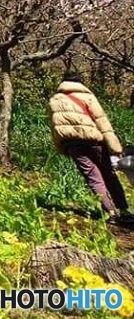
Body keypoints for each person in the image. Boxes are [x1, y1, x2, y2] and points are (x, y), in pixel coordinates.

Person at [49, 71, 134, 225]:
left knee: (93, 178)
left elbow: (55, 127)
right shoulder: (88, 96)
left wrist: (62, 148)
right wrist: (115, 147)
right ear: (80, 82)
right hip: (95, 141)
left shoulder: (54, 100)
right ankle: (124, 211)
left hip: (72, 144)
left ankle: (110, 213)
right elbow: (102, 121)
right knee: (109, 175)